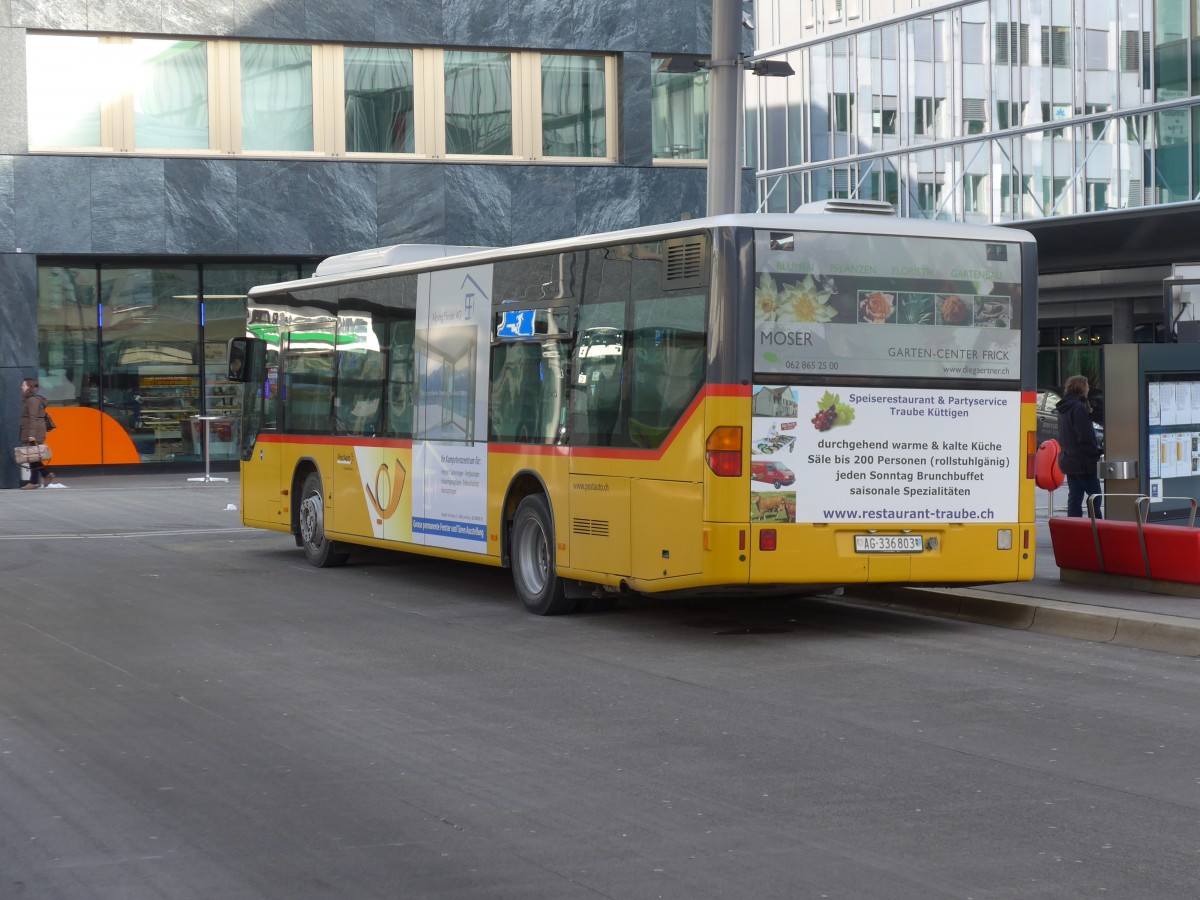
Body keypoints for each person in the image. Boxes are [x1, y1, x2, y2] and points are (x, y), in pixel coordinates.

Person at [1056, 374, 1102, 518]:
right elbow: (1086, 436)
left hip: (1069, 459)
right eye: (1087, 386)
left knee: (1075, 498)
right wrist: (1096, 453)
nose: (1088, 389)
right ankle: (1097, 529)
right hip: (1084, 462)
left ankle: (1074, 529)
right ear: (1081, 388)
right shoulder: (1078, 407)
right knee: (1095, 497)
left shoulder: (1064, 408)